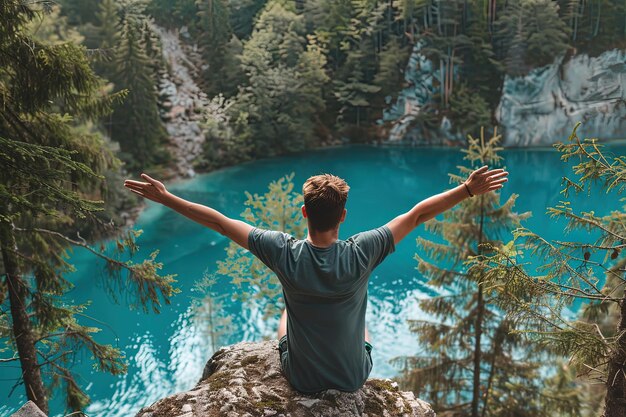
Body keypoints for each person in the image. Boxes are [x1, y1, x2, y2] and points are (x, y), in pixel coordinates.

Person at [123, 165, 508, 393]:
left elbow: (220, 223)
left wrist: (167, 198)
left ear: (304, 213)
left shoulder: (282, 252)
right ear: (343, 216)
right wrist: (467, 189)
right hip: (353, 377)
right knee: (363, 327)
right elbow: (417, 214)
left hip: (302, 378)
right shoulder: (363, 251)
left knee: (286, 316)